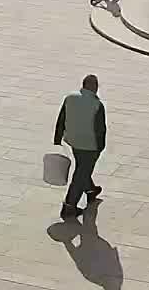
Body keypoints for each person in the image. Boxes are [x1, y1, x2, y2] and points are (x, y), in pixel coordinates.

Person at [54, 74, 108, 221]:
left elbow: (61, 118)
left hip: (73, 141)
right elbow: (100, 129)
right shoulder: (97, 105)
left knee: (82, 168)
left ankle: (91, 191)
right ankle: (69, 207)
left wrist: (57, 139)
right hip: (90, 145)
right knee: (80, 174)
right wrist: (100, 147)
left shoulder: (70, 98)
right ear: (95, 87)